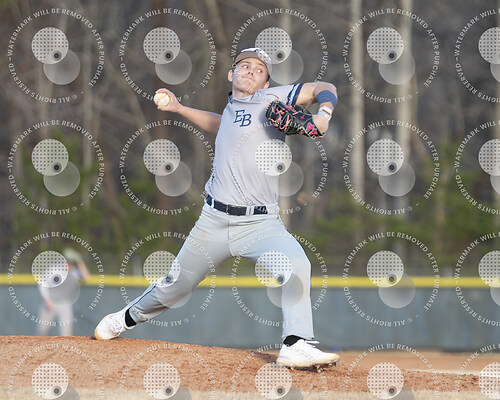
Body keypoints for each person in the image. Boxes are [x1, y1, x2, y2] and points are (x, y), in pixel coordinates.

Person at [95, 48, 339, 368]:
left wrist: (324, 114)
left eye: (260, 70)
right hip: (214, 221)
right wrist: (179, 108)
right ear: (231, 74)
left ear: (266, 83)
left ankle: (296, 344)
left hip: (261, 224)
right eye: (245, 66)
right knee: (174, 287)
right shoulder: (232, 108)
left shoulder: (271, 99)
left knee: (297, 266)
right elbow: (220, 125)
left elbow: (325, 87)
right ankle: (124, 318)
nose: (251, 72)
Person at [38, 248, 90, 336]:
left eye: (72, 263)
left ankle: (65, 346)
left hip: (65, 304)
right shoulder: (54, 270)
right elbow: (42, 285)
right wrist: (47, 300)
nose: (69, 265)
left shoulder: (74, 272)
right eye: (68, 262)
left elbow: (87, 278)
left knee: (66, 332)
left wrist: (80, 261)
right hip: (51, 302)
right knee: (42, 330)